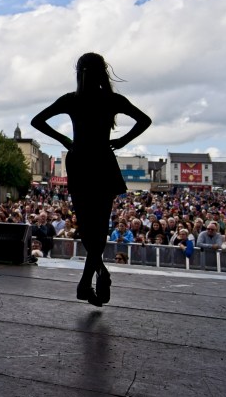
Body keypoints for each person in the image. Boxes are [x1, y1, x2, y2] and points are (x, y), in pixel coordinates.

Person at [31, 52, 151, 307]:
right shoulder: (112, 99)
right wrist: (123, 140)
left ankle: (92, 278)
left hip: (80, 161)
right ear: (103, 72)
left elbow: (37, 121)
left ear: (79, 72)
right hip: (103, 161)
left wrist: (64, 139)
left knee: (87, 228)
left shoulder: (72, 99)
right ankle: (89, 280)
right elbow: (144, 120)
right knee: (98, 226)